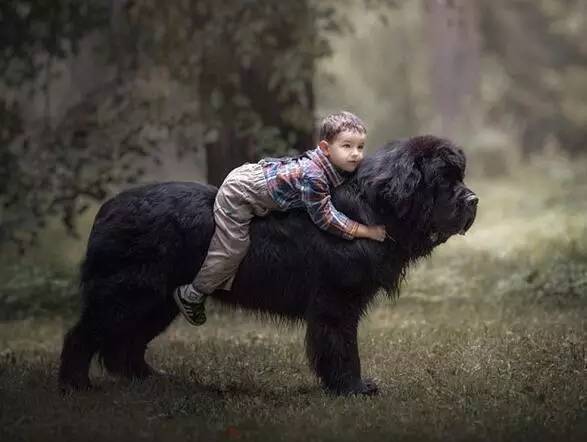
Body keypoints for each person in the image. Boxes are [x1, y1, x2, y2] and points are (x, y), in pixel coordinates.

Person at [173, 111, 386, 325]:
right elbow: (326, 219)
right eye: (347, 146)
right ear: (325, 148)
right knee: (232, 248)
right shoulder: (314, 177)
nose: (356, 154)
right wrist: (366, 231)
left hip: (258, 178)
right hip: (239, 193)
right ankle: (193, 293)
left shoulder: (331, 166)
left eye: (360, 147)